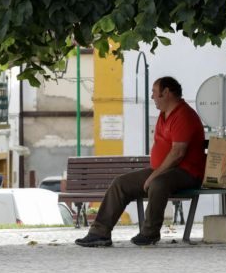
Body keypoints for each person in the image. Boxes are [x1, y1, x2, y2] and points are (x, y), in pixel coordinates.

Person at [75, 76, 206, 247]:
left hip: (186, 173)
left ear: (166, 92)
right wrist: (155, 172)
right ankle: (100, 233)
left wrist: (154, 175)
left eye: (154, 92)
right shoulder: (163, 115)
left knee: (158, 183)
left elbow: (178, 153)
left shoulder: (184, 115)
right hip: (163, 170)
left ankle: (149, 233)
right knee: (121, 183)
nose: (152, 97)